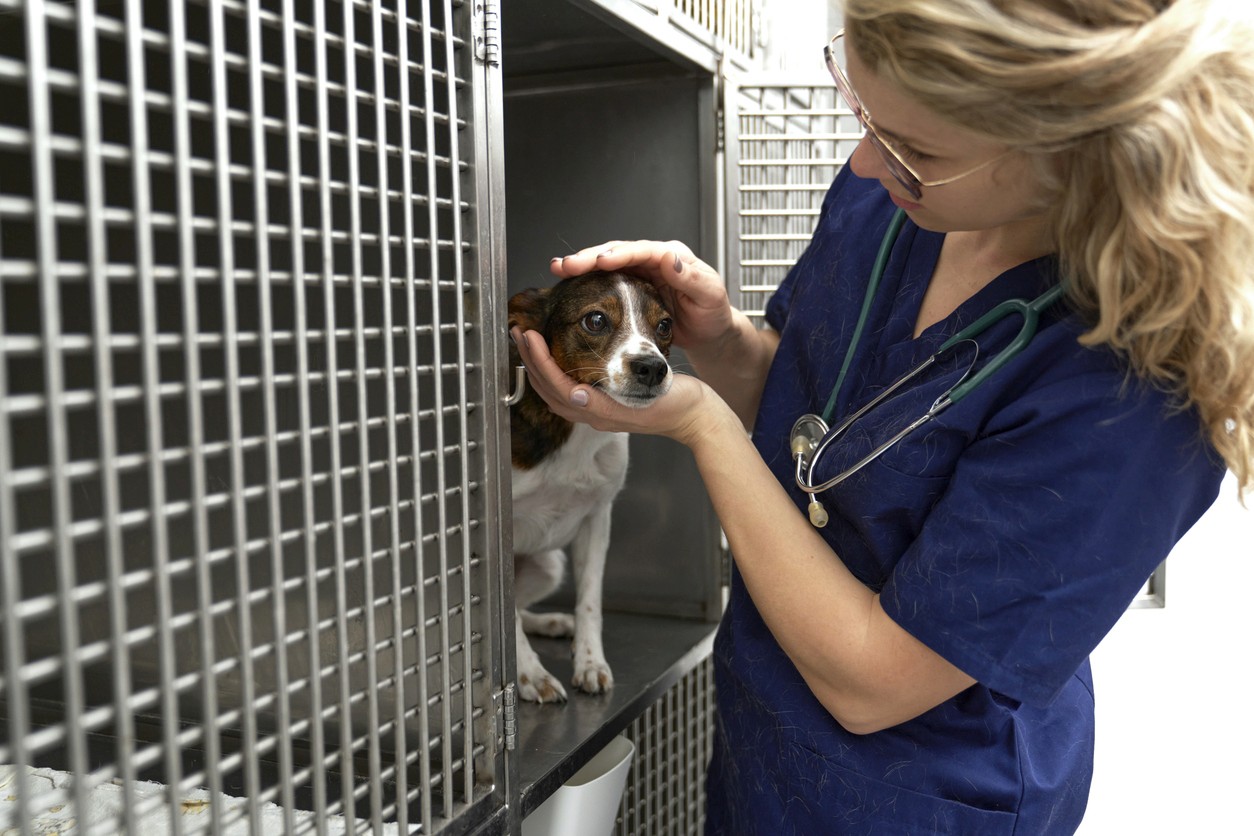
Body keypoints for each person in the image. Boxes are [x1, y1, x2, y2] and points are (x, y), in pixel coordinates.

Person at [511, 0, 1254, 832]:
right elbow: (817, 427)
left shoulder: (1136, 394)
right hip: (765, 746)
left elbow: (874, 685)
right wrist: (720, 343)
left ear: (1065, 144)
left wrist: (697, 421)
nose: (864, 163)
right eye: (864, 113)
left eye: (913, 147)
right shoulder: (893, 202)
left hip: (918, 797)